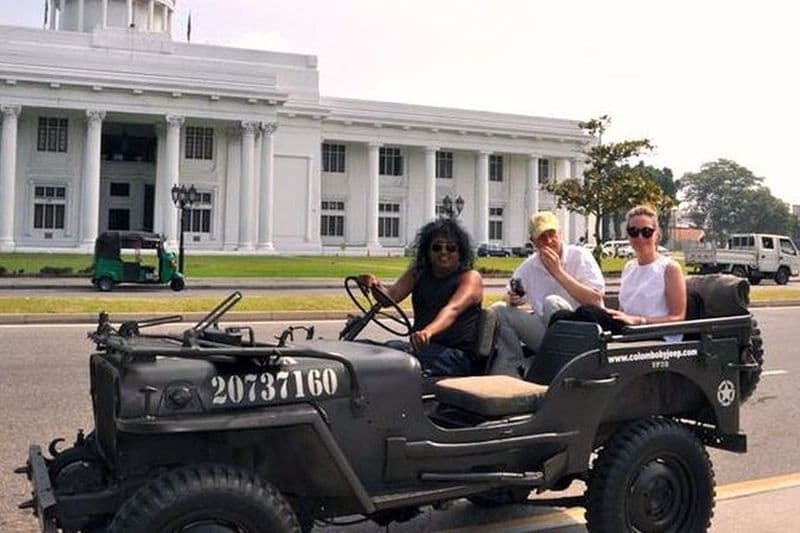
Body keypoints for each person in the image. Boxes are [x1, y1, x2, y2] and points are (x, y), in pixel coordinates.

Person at [358, 218, 483, 377]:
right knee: (368, 350)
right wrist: (373, 284)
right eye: (437, 247)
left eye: (451, 248)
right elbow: (388, 298)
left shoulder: (470, 278)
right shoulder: (418, 273)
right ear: (428, 251)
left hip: (456, 357)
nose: (443, 252)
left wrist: (428, 332)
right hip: (423, 349)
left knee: (394, 359)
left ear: (460, 252)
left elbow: (452, 309)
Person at [490, 211, 605, 376]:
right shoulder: (530, 266)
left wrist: (557, 272)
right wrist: (512, 298)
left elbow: (595, 300)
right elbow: (508, 293)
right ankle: (513, 367)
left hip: (582, 335)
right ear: (534, 242)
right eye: (542, 237)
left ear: (560, 234)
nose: (549, 241)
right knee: (498, 310)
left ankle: (553, 366)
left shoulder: (580, 256)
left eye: (552, 234)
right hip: (547, 336)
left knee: (552, 302)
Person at [607, 205, 686, 332]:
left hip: (657, 336)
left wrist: (639, 321)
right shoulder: (629, 267)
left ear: (657, 235)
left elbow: (677, 317)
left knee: (589, 314)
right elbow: (624, 311)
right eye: (633, 231)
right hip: (627, 332)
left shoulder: (670, 268)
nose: (640, 238)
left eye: (647, 232)